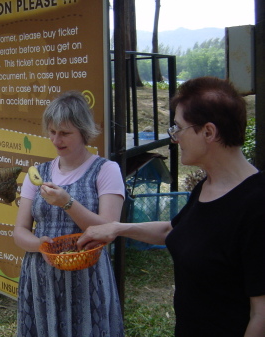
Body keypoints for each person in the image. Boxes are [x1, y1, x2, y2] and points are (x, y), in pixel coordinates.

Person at [77, 77, 265, 337]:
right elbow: (174, 230)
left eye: (178, 128)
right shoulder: (206, 188)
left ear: (209, 132)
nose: (174, 138)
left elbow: (261, 315)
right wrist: (115, 228)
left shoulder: (257, 205)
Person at [14, 91, 125, 337]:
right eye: (52, 132)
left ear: (83, 131)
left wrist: (67, 202)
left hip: (87, 278)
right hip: (41, 276)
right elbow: (19, 230)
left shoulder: (106, 170)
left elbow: (109, 231)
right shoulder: (38, 174)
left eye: (65, 133)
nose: (56, 140)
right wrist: (38, 244)